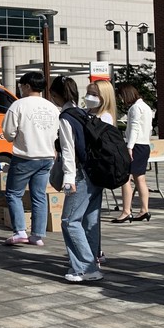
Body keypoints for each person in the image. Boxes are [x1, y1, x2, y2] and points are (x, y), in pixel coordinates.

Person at [51, 76, 104, 283]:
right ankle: (92, 262)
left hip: (80, 174)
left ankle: (85, 267)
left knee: (70, 221)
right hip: (96, 173)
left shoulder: (66, 117)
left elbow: (68, 150)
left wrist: (68, 179)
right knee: (90, 221)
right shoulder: (83, 113)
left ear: (55, 95)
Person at [1, 71, 59, 245]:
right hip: (47, 156)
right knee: (39, 195)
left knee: (13, 193)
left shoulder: (18, 105)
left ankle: (20, 231)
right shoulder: (51, 107)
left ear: (26, 86)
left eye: (21, 86)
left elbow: (8, 132)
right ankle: (37, 235)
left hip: (25, 156)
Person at [84, 79, 117, 264]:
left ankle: (94, 251)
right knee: (89, 214)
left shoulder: (104, 118)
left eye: (94, 94)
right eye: (88, 93)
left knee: (88, 216)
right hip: (88, 169)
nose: (90, 97)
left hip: (95, 170)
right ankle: (95, 250)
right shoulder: (88, 113)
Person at [112, 83, 153, 223]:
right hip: (145, 144)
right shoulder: (146, 107)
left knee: (126, 179)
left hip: (135, 145)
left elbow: (134, 128)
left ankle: (126, 211)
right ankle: (144, 209)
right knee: (140, 178)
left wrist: (129, 147)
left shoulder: (135, 108)